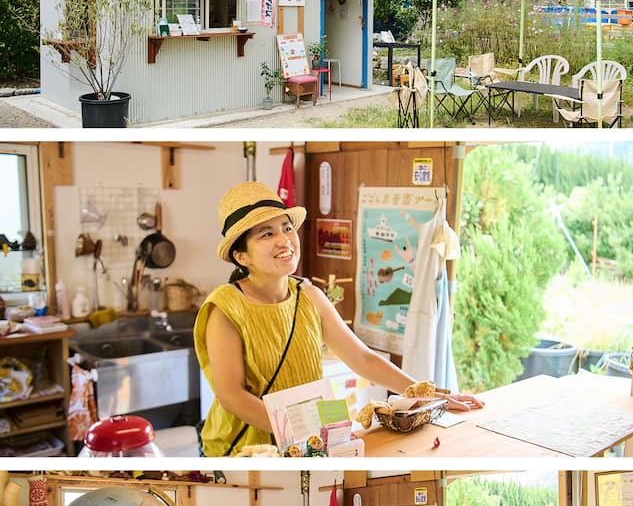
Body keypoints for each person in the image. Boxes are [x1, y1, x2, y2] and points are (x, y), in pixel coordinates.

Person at [194, 181, 483, 456]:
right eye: (267, 234)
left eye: (287, 227)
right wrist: (307, 433)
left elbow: (363, 359)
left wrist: (431, 396)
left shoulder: (309, 295)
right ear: (241, 256)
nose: (284, 240)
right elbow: (232, 396)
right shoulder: (225, 307)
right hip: (245, 448)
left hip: (307, 443)